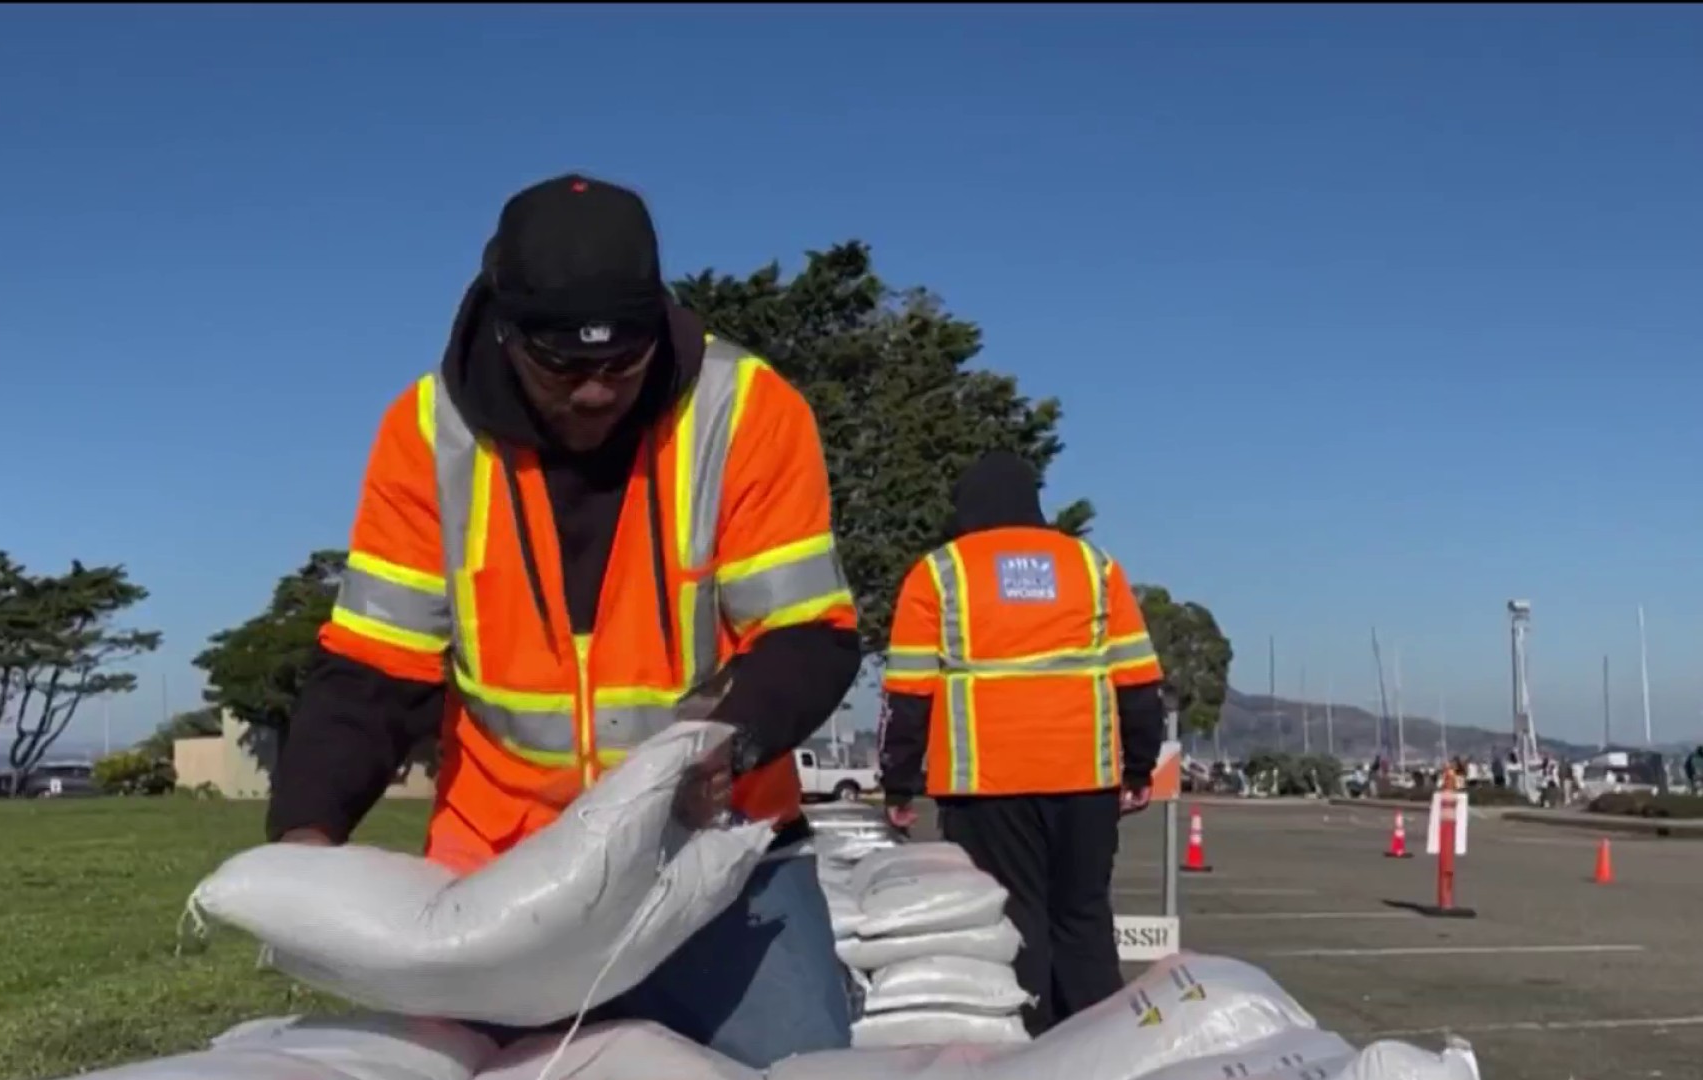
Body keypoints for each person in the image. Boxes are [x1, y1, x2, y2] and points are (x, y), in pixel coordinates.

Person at [265, 173, 862, 1066]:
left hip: (720, 851)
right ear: (505, 333)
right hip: (503, 872)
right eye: (564, 368)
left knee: (802, 1061)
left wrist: (728, 742)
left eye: (621, 364)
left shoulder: (746, 412)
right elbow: (373, 672)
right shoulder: (428, 436)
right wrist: (305, 840)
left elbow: (811, 635)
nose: (594, 394)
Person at [877, 451, 1167, 1036]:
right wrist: (1139, 768)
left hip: (985, 786)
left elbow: (908, 693)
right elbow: (1139, 678)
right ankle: (1105, 1054)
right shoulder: (1093, 566)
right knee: (1083, 923)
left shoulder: (939, 572)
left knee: (1013, 927)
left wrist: (899, 781)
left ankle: (1028, 1056)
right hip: (1086, 780)